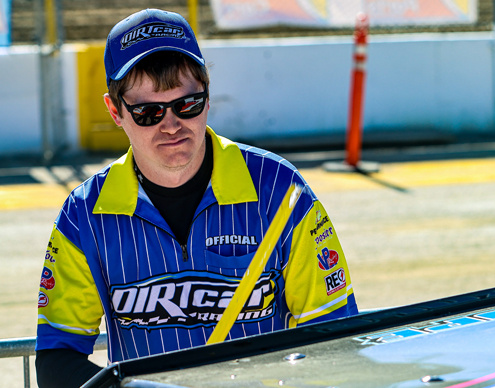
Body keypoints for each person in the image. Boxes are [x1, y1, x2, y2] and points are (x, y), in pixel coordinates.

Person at [35, 8, 358, 387]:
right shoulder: (83, 215)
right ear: (115, 111)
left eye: (187, 104)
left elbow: (339, 340)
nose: (171, 125)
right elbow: (57, 360)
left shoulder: (280, 190)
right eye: (148, 112)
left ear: (208, 95)